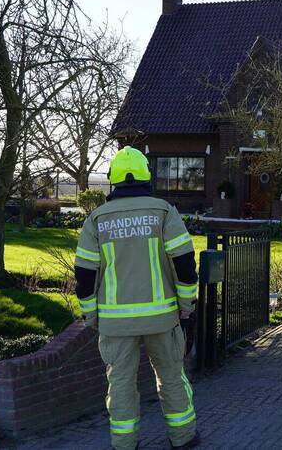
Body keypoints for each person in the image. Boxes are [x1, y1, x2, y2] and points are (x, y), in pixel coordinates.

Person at [74, 146, 200, 450]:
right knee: (171, 377)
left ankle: (124, 443)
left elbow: (84, 275)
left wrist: (90, 315)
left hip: (116, 325)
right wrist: (187, 307)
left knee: (119, 385)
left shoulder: (96, 220)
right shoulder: (164, 212)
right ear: (146, 176)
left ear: (114, 179)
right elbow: (184, 264)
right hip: (163, 318)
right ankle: (182, 439)